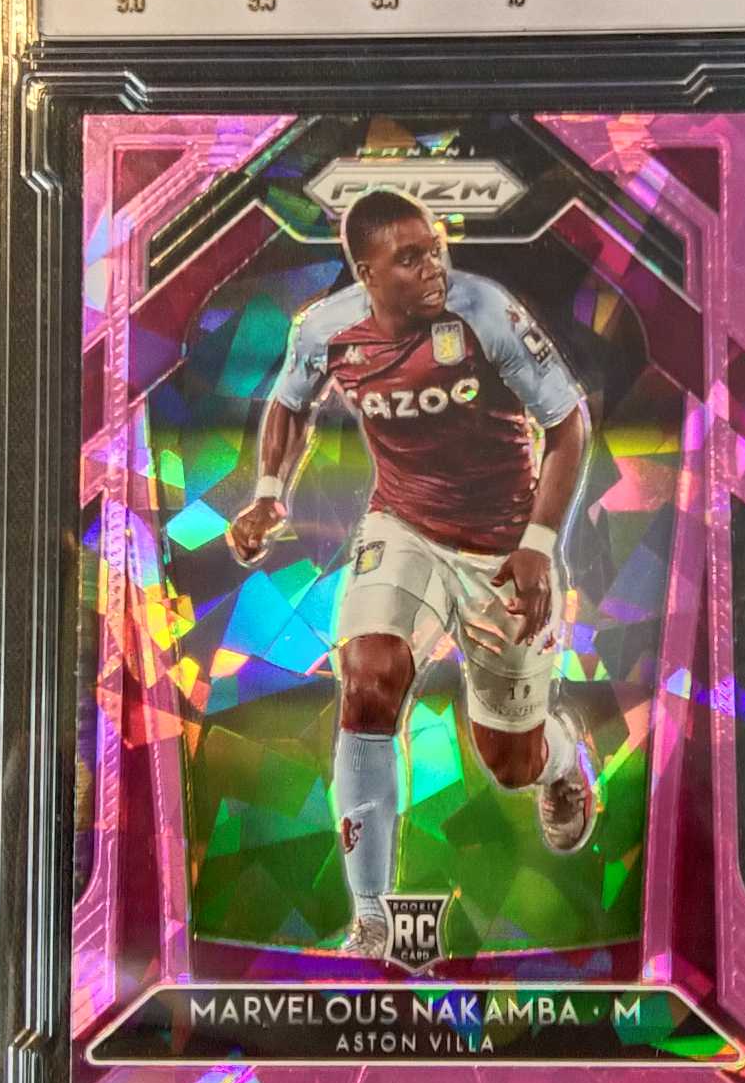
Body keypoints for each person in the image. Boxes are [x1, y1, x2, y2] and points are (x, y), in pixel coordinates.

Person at [227, 188, 594, 958]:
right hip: (404, 529)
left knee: (509, 763)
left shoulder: (484, 312)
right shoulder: (326, 330)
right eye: (411, 258)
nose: (434, 267)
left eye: (436, 249)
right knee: (368, 678)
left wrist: (538, 542)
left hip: (502, 547)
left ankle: (560, 758)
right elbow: (289, 403)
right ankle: (371, 918)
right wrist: (267, 493)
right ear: (367, 273)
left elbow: (568, 424)